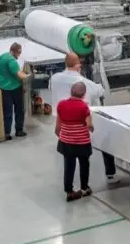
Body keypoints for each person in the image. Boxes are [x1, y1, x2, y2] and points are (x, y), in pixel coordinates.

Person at [48, 52, 119, 184]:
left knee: (69, 160)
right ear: (78, 66)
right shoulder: (83, 83)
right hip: (81, 130)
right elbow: (101, 91)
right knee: (104, 142)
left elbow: (52, 90)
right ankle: (109, 175)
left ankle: (69, 187)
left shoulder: (55, 79)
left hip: (65, 127)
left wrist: (58, 131)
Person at [56, 81, 94, 202]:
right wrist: (91, 126)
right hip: (82, 143)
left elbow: (58, 126)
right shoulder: (84, 107)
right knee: (84, 164)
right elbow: (89, 126)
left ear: (71, 91)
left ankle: (69, 191)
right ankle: (84, 187)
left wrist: (61, 135)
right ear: (84, 94)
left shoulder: (61, 105)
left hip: (66, 142)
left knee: (69, 166)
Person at [0, 42, 30, 141]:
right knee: (19, 110)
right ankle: (19, 130)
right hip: (14, 88)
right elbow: (19, 75)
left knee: (6, 111)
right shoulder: (12, 62)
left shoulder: (2, 57)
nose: (19, 55)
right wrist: (28, 76)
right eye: (19, 53)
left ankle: (6, 133)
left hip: (2, 88)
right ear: (14, 51)